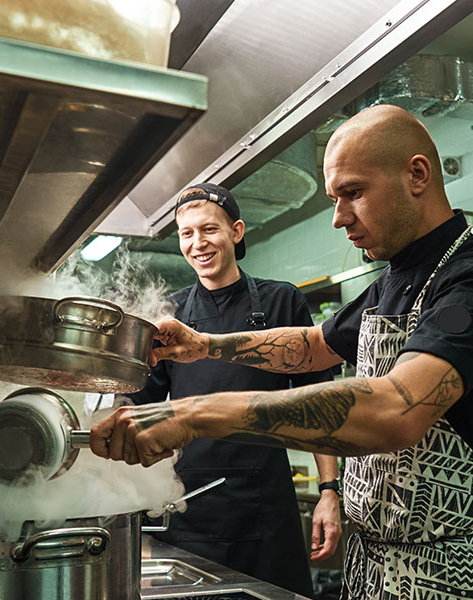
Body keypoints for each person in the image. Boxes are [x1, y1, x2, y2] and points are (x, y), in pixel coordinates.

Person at [91, 105, 473, 599]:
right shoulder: (393, 280)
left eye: (353, 193)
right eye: (334, 197)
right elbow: (313, 347)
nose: (338, 218)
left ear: (417, 175)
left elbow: (395, 409)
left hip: (454, 574)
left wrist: (195, 414)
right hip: (375, 567)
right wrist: (204, 346)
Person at [119, 182, 341, 598]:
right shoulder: (169, 314)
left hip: (266, 508)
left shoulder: (282, 301)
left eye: (209, 230)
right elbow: (137, 405)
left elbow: (320, 402)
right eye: (187, 233)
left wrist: (330, 492)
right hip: (187, 507)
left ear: (236, 232)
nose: (197, 243)